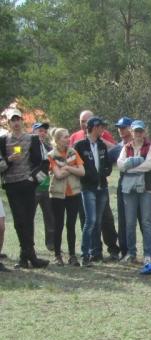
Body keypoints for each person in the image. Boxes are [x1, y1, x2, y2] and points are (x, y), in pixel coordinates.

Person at [108, 117, 151, 260]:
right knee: (129, 221)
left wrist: (129, 166)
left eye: (140, 131)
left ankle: (148, 254)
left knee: (146, 221)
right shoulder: (126, 147)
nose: (138, 134)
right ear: (131, 132)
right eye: (136, 131)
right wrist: (137, 163)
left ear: (144, 132)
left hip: (147, 187)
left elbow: (149, 165)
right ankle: (131, 253)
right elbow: (120, 165)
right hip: (129, 188)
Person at [0, 108, 48, 268]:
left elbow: (44, 163)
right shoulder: (3, 140)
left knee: (28, 220)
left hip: (28, 184)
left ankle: (26, 257)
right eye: (12, 120)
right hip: (11, 185)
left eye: (18, 119)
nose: (15, 123)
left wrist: (32, 180)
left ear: (22, 121)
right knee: (18, 221)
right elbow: (0, 165)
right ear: (8, 122)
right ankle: (29, 256)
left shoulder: (33, 139)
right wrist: (9, 160)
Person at [69, 109, 121, 259]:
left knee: (101, 220)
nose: (103, 129)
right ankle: (88, 253)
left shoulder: (102, 144)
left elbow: (108, 163)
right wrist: (90, 176)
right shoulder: (79, 145)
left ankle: (103, 251)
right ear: (93, 127)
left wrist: (104, 173)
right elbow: (76, 165)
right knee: (89, 221)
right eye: (100, 127)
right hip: (87, 188)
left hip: (102, 187)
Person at [47, 127, 85, 266]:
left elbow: (82, 171)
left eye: (68, 136)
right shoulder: (51, 155)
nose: (68, 139)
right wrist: (72, 168)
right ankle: (57, 255)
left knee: (71, 225)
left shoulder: (73, 152)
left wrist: (67, 168)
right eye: (64, 137)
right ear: (57, 140)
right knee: (58, 225)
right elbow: (58, 175)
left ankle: (72, 255)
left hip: (73, 193)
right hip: (57, 195)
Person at [32, 122, 55, 252]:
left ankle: (51, 243)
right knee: (30, 217)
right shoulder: (28, 146)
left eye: (44, 131)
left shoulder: (48, 148)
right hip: (32, 187)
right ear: (33, 132)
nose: (42, 133)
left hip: (45, 185)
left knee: (50, 216)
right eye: (39, 130)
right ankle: (30, 245)